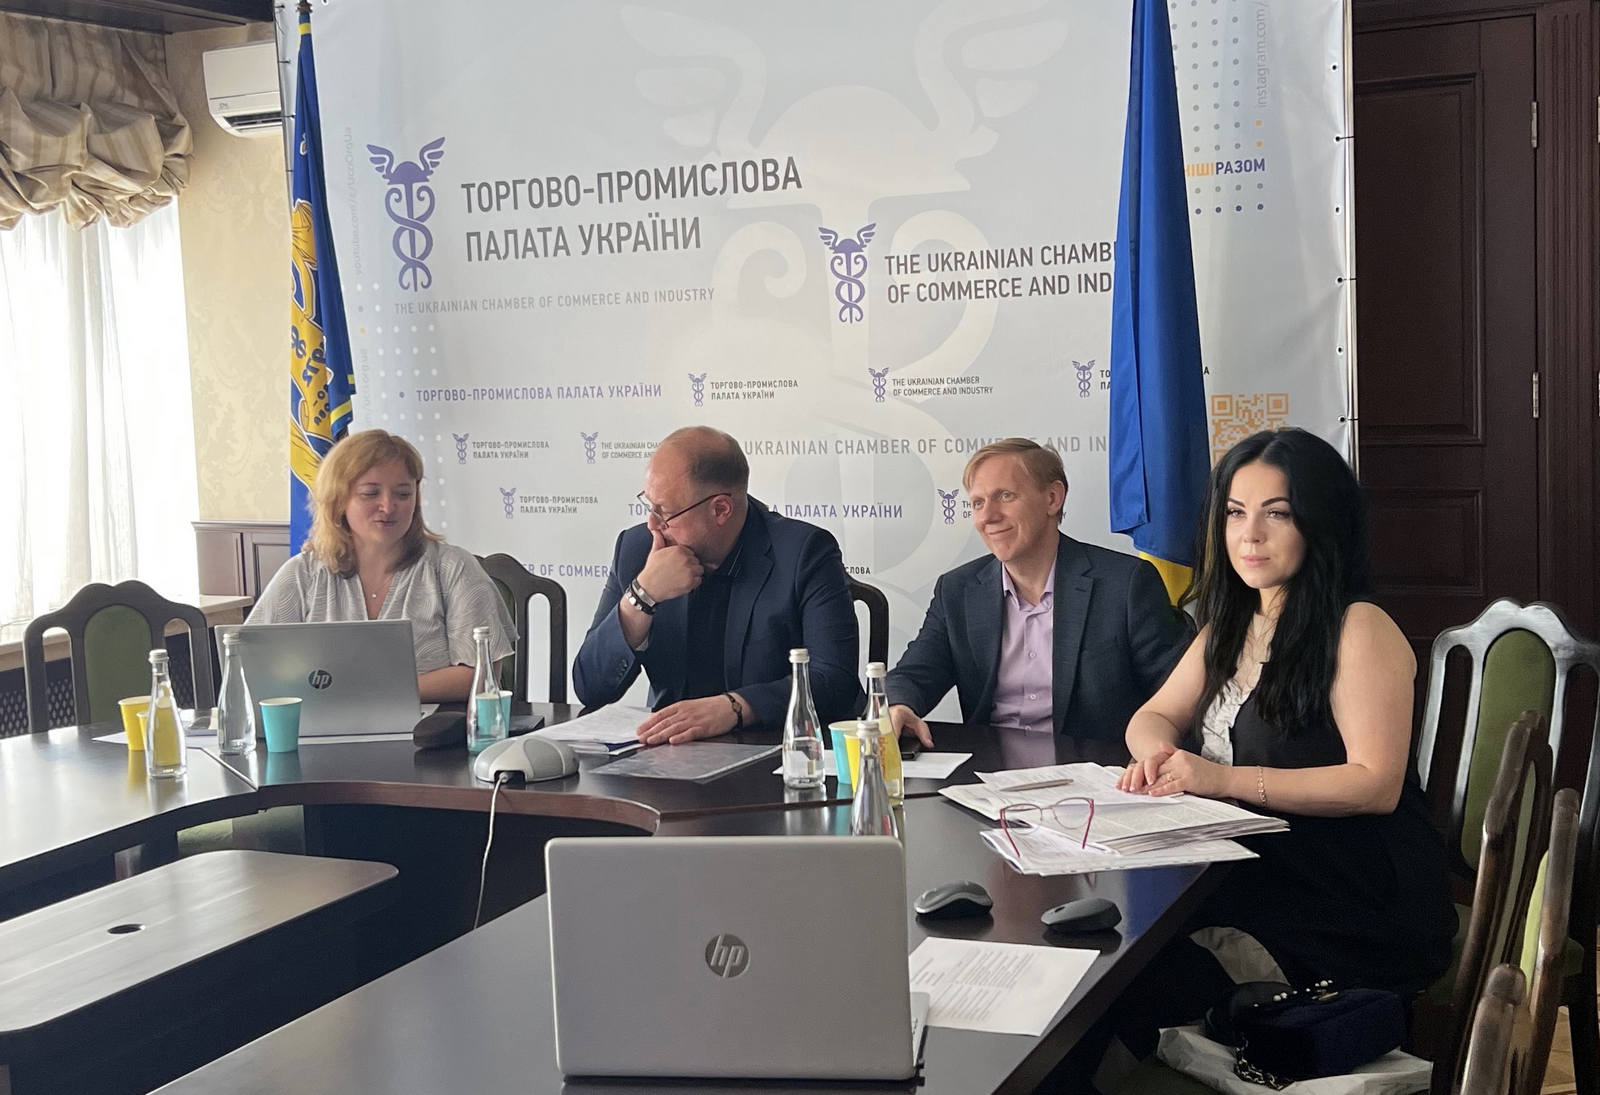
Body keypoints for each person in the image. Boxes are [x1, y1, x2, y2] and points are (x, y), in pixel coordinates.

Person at [1077, 427, 1455, 1089]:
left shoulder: (1357, 626)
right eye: (1235, 512)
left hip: (1348, 897)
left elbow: (1376, 783)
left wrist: (1219, 778)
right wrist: (1159, 756)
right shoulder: (1231, 622)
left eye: (1275, 513)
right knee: (1103, 964)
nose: (1249, 535)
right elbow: (1151, 716)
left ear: (1319, 522)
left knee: (1134, 992)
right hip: (1248, 877)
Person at [885, 438, 1188, 748]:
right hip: (986, 769)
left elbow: (1179, 695)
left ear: (1053, 498)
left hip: (1094, 767)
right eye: (977, 503)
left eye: (1005, 496)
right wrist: (899, 706)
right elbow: (914, 673)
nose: (988, 516)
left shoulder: (1125, 585)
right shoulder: (958, 590)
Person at [572, 426, 862, 744]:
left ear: (721, 509)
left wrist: (736, 707)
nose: (652, 524)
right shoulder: (637, 549)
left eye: (664, 512)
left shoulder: (803, 552)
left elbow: (834, 680)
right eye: (649, 505)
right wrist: (643, 595)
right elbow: (591, 688)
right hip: (672, 754)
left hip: (774, 750)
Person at [248, 429, 514, 703]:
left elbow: (482, 674)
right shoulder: (303, 573)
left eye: (403, 494)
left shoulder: (453, 567)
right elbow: (253, 663)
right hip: (323, 725)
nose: (388, 506)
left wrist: (373, 691)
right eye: (370, 493)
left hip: (435, 726)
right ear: (338, 500)